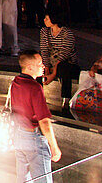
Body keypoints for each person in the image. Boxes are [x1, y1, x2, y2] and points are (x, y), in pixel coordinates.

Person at [9, 51, 62, 181]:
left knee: (23, 179)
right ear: (30, 67)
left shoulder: (16, 82)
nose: (43, 66)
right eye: (40, 64)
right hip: (33, 138)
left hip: (19, 135)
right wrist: (54, 147)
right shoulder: (35, 87)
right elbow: (44, 121)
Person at [39, 9, 79, 106]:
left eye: (47, 18)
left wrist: (53, 74)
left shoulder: (67, 33)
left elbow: (64, 54)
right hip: (51, 63)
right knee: (37, 67)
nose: (44, 20)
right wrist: (47, 69)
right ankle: (38, 96)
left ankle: (66, 99)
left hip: (67, 64)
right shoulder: (45, 31)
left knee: (63, 67)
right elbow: (44, 51)